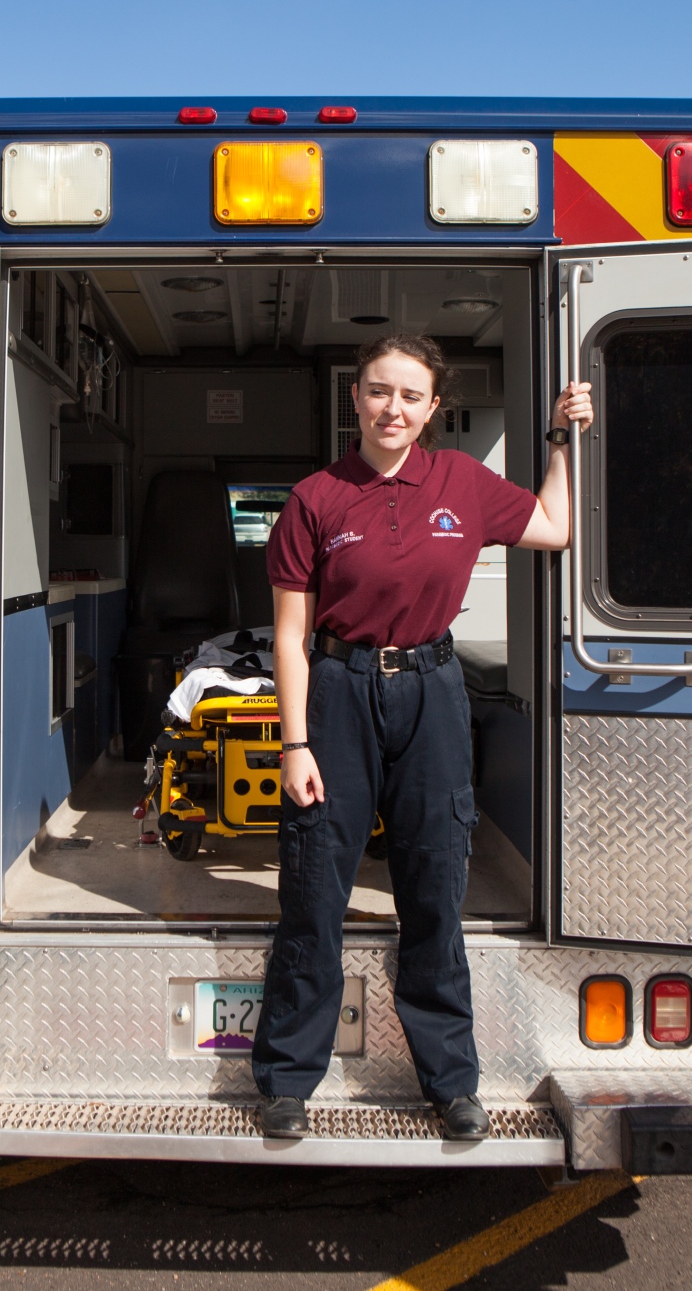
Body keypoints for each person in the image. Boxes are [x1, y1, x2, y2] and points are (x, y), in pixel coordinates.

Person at [251, 333, 593, 1140]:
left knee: (434, 886)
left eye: (410, 395)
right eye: (378, 391)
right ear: (356, 399)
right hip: (337, 692)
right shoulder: (315, 498)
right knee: (314, 891)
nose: (391, 408)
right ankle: (289, 1082)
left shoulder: (463, 483)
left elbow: (551, 526)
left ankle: (451, 1082)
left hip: (434, 692)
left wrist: (558, 439)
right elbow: (291, 636)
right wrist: (293, 745)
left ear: (434, 407)